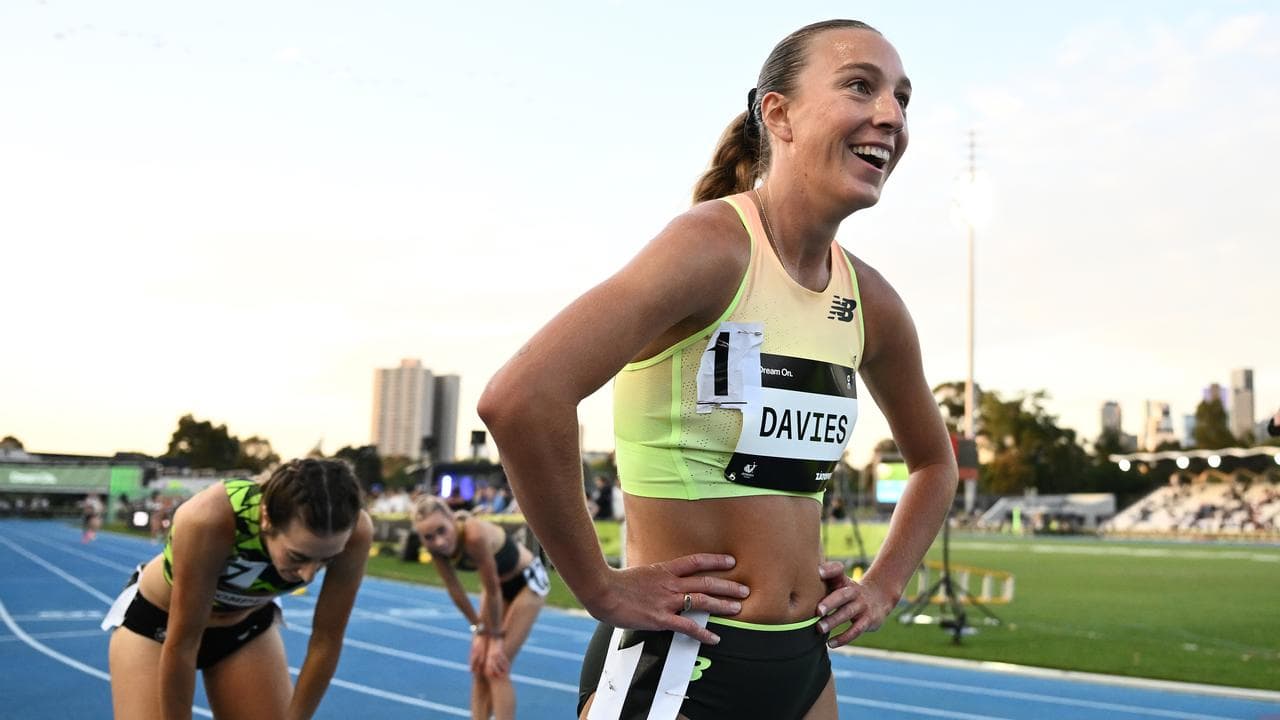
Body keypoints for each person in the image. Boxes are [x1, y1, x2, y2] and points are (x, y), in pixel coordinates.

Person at [478, 19, 957, 720]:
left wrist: (883, 585)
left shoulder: (871, 300)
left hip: (803, 661)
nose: (890, 114)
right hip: (680, 663)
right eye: (861, 86)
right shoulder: (711, 248)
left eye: (902, 99)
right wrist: (599, 586)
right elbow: (522, 397)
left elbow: (934, 464)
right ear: (778, 113)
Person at [102, 458, 372, 720]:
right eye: (297, 557)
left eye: (327, 560)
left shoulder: (353, 532)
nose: (308, 574)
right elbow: (183, 643)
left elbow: (326, 640)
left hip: (245, 627)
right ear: (266, 519)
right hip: (157, 626)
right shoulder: (208, 519)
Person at [412, 495, 548, 720]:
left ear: (451, 518)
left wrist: (493, 638)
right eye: (429, 537)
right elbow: (455, 590)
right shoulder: (436, 551)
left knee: (496, 666)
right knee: (478, 665)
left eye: (442, 531)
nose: (438, 541)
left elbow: (492, 587)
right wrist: (478, 629)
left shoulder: (473, 534)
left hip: (527, 582)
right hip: (498, 587)